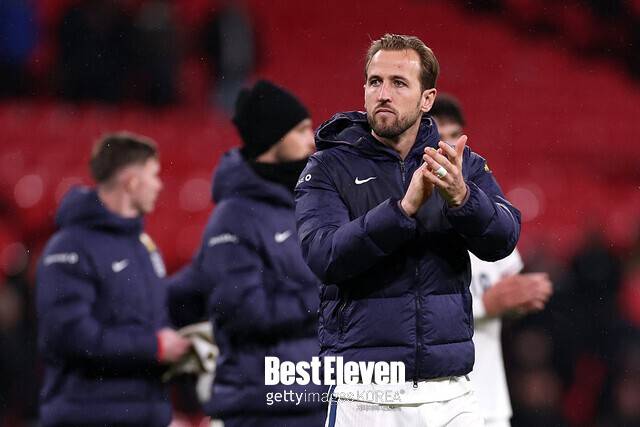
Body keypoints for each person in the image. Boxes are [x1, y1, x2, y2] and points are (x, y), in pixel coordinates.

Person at [295, 34, 521, 426]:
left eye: (399, 83)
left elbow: (504, 238)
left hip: (450, 392)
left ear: (427, 99)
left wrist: (463, 199)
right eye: (375, 81)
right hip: (365, 394)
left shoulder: (460, 165)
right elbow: (324, 255)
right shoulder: (328, 167)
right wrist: (402, 211)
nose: (383, 94)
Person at [168, 80, 326, 426]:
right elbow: (244, 312)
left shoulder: (304, 205)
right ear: (273, 139)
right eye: (301, 130)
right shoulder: (234, 217)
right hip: (263, 408)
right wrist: (325, 296)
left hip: (313, 400)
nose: (312, 139)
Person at [36, 133, 191, 427]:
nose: (159, 185)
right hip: (87, 417)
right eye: (153, 175)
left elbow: (151, 322)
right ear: (131, 182)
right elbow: (71, 336)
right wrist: (155, 347)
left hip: (144, 415)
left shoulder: (143, 246)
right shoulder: (70, 247)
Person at [431, 94, 554, 427]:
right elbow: (400, 310)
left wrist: (518, 300)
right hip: (430, 403)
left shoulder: (485, 216)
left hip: (489, 399)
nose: (449, 148)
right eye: (438, 136)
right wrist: (486, 305)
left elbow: (503, 296)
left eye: (455, 136)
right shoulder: (407, 215)